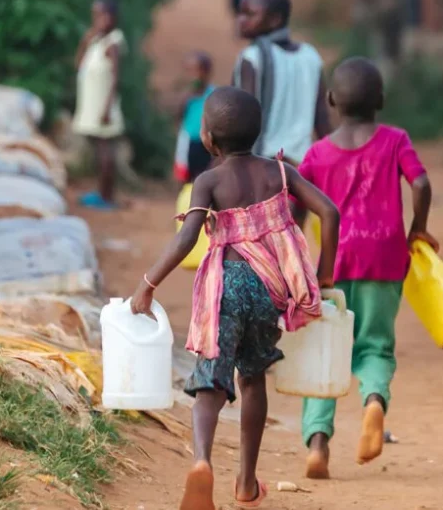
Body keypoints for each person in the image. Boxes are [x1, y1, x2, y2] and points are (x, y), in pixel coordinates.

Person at [130, 87, 340, 510]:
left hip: (224, 288)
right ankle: (246, 481)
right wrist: (324, 274)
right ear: (258, 132)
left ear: (207, 139)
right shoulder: (279, 173)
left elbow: (187, 237)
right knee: (252, 378)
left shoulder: (207, 181)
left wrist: (147, 284)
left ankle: (203, 462)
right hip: (269, 291)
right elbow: (330, 213)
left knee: (211, 378)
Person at [296, 57, 435, 479]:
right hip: (385, 258)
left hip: (332, 263)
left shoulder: (318, 153)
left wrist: (297, 251)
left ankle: (318, 444)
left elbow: (295, 204)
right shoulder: (395, 140)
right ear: (381, 100)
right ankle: (374, 401)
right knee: (374, 345)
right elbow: (422, 183)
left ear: (331, 101)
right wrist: (418, 229)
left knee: (324, 353)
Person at [234, 0, 332, 227]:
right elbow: (321, 118)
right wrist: (333, 162)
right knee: (293, 242)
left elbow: (242, 117)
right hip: (302, 168)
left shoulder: (252, 58)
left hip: (263, 165)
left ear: (275, 19)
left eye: (249, 14)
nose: (241, 20)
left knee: (259, 242)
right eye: (240, 13)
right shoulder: (310, 56)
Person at [74, 0, 126, 210]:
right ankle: (101, 192)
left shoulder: (112, 43)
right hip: (93, 106)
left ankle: (107, 197)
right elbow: (78, 65)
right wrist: (85, 41)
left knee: (106, 153)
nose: (100, 20)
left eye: (105, 15)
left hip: (104, 108)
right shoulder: (95, 40)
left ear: (114, 17)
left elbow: (115, 77)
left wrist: (106, 109)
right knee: (99, 151)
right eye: (96, 16)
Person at [174, 51, 216, 183]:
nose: (192, 76)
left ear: (206, 72)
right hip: (188, 141)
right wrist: (184, 98)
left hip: (207, 143)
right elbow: (177, 115)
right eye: (188, 71)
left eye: (195, 71)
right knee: (185, 176)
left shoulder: (213, 94)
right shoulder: (186, 96)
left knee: (206, 175)